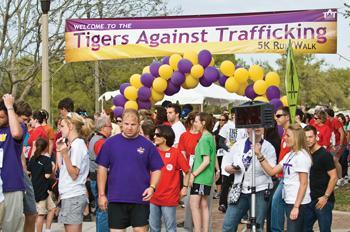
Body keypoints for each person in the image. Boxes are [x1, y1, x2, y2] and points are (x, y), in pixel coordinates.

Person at [96, 109, 163, 232]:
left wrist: (152, 187)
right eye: (126, 124)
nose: (129, 127)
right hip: (116, 198)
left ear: (138, 125)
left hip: (140, 198)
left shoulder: (147, 145)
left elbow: (157, 169)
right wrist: (101, 194)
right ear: (121, 124)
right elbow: (102, 169)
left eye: (133, 124)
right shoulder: (110, 143)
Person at [256, 124, 312, 232]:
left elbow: (303, 183)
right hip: (289, 199)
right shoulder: (290, 155)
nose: (284, 137)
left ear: (296, 137)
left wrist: (296, 207)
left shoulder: (301, 157)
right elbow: (271, 171)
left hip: (298, 202)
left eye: (288, 135)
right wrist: (259, 155)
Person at [222, 127, 276, 232]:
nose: (258, 128)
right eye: (254, 125)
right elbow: (226, 164)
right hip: (240, 189)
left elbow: (271, 170)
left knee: (257, 226)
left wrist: (259, 154)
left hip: (261, 189)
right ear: (247, 129)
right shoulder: (238, 145)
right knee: (228, 224)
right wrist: (231, 168)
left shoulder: (269, 147)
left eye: (260, 125)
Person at [150, 125, 190, 232]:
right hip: (153, 197)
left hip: (169, 197)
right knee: (153, 228)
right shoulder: (152, 151)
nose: (154, 137)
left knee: (170, 229)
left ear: (165, 137)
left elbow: (187, 171)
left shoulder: (175, 153)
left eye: (157, 135)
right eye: (154, 134)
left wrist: (185, 187)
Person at [56, 112, 91, 232]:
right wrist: (60, 151)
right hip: (70, 195)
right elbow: (64, 170)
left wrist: (65, 154)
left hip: (73, 195)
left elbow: (74, 174)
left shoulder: (77, 145)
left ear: (70, 126)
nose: (60, 129)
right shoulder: (74, 144)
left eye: (62, 126)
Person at [303, 125, 337, 232]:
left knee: (325, 230)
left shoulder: (325, 155)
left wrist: (325, 197)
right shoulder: (306, 154)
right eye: (305, 137)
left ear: (316, 137)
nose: (308, 140)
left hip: (323, 201)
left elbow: (334, 177)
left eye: (310, 137)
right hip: (310, 200)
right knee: (304, 228)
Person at [0, 94, 26, 231]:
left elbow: (16, 133)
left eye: (1, 117)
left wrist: (10, 106)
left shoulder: (17, 128)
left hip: (11, 186)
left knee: (11, 227)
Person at [189, 112, 217, 232]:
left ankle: (198, 230)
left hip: (201, 177)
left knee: (194, 205)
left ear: (203, 123)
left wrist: (193, 174)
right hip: (206, 177)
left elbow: (206, 161)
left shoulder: (205, 139)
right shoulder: (210, 137)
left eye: (196, 121)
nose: (194, 124)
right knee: (204, 205)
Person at [218, 109, 247, 213]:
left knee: (238, 182)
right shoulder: (228, 126)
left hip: (240, 159)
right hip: (228, 159)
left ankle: (237, 205)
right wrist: (228, 149)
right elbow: (220, 142)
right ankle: (223, 204)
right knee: (226, 182)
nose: (236, 117)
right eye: (234, 115)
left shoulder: (244, 127)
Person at [16, 100, 38, 232]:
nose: (26, 123)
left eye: (28, 120)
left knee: (31, 213)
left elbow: (20, 153)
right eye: (24, 119)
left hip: (21, 172)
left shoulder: (22, 129)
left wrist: (24, 169)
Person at [177, 111, 202, 230]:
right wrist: (185, 170)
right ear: (192, 121)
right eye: (198, 120)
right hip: (188, 169)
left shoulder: (204, 135)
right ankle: (188, 224)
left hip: (202, 171)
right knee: (188, 200)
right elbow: (181, 153)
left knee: (200, 202)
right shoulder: (184, 136)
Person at [88, 116, 112, 232]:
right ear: (103, 128)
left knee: (100, 210)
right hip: (99, 180)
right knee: (104, 209)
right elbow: (105, 163)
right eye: (110, 126)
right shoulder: (101, 142)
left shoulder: (94, 138)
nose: (111, 129)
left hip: (94, 178)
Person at [28, 138, 56, 232]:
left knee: (52, 208)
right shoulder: (46, 159)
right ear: (46, 148)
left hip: (35, 187)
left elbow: (28, 171)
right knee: (41, 214)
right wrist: (53, 167)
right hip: (42, 190)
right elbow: (47, 175)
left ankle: (47, 230)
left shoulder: (32, 159)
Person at [270, 106, 291, 232]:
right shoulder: (284, 132)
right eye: (275, 116)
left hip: (288, 177)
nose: (275, 118)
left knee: (276, 204)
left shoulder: (291, 132)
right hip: (282, 175)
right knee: (280, 205)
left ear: (287, 117)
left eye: (278, 116)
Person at [212, 113, 228, 199]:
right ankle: (218, 191)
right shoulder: (216, 131)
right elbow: (214, 142)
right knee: (217, 170)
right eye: (220, 120)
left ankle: (223, 190)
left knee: (224, 171)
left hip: (225, 153)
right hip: (217, 153)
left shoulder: (229, 130)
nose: (221, 121)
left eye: (223, 120)